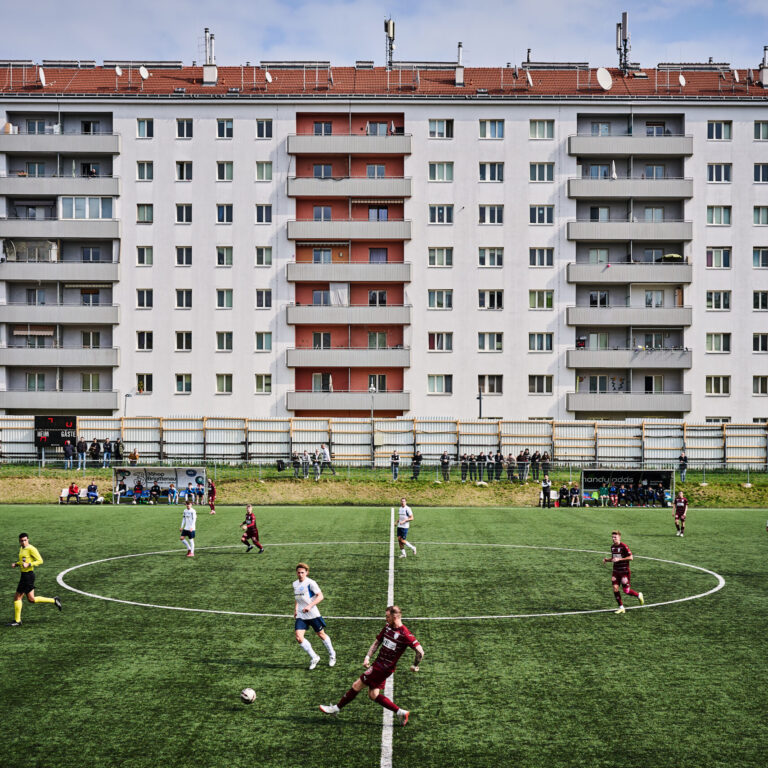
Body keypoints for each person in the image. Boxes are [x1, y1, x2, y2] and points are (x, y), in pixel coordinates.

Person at [319, 605, 423, 725]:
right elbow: (377, 642)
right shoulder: (388, 627)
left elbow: (420, 651)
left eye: (387, 616)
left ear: (395, 616)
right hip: (378, 664)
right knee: (373, 695)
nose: (385, 619)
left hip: (383, 668)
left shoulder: (404, 633)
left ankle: (335, 709)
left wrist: (415, 665)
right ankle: (401, 712)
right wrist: (368, 656)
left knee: (357, 685)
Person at [8, 533, 62, 626]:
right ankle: (54, 600)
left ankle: (17, 621)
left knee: (17, 597)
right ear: (19, 541)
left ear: (28, 539)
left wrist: (29, 564)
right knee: (31, 599)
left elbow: (40, 560)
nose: (23, 542)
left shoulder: (31, 548)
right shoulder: (22, 548)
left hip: (28, 576)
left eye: (25, 540)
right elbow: (23, 561)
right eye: (21, 541)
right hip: (25, 575)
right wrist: (17, 564)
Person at [293, 562, 335, 669]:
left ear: (307, 572)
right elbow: (297, 598)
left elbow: (320, 596)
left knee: (321, 634)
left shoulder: (311, 583)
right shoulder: (295, 584)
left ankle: (332, 655)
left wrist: (310, 606)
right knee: (299, 637)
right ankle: (314, 657)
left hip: (312, 614)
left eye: (302, 572)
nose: (300, 574)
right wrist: (296, 609)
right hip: (301, 615)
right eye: (298, 572)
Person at [603, 530, 644, 614]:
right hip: (615, 571)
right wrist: (607, 560)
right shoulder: (613, 547)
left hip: (624, 571)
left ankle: (638, 595)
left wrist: (620, 559)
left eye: (615, 537)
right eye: (612, 537)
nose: (613, 539)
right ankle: (621, 607)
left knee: (626, 591)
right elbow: (614, 558)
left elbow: (631, 557)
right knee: (615, 588)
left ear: (619, 537)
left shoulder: (624, 546)